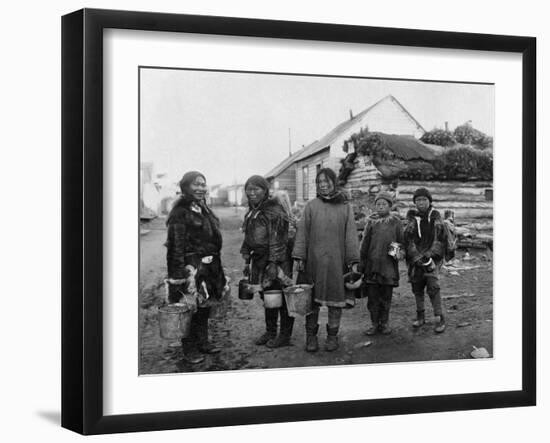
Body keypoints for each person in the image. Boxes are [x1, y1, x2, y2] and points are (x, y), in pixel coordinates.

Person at [293, 168, 360, 352]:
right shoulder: (311, 206)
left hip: (336, 263)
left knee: (335, 301)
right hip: (313, 263)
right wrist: (299, 256)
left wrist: (353, 260)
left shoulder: (345, 207)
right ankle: (311, 337)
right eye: (319, 181)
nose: (323, 184)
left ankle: (332, 337)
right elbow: (302, 234)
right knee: (311, 302)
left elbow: (351, 236)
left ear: (334, 182)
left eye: (326, 181)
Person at [165, 171, 226, 364]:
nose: (201, 188)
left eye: (203, 184)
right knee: (189, 307)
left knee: (204, 307)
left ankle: (203, 342)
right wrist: (178, 276)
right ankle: (189, 348)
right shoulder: (180, 213)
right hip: (191, 270)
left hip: (208, 269)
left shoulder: (203, 209)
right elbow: (176, 247)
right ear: (185, 187)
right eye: (196, 184)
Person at [240, 176, 294, 348]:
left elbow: (278, 238)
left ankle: (284, 336)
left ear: (265, 190)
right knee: (268, 297)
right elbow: (249, 236)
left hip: (276, 261)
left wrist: (273, 263)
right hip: (259, 261)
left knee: (281, 298)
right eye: (249, 189)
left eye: (256, 189)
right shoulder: (253, 210)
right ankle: (271, 331)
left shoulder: (274, 211)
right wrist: (247, 257)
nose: (252, 192)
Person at [359, 192, 404, 335]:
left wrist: (397, 252)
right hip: (372, 267)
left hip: (388, 268)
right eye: (378, 204)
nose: (381, 207)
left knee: (386, 297)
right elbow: (364, 244)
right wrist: (362, 261)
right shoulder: (371, 223)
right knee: (372, 298)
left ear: (390, 206)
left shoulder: (395, 222)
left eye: (384, 204)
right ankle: (374, 324)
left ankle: (384, 323)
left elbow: (400, 241)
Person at [404, 187, 447, 333]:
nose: (421, 202)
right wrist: (415, 256)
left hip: (431, 260)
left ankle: (439, 317)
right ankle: (420, 316)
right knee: (417, 288)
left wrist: (430, 254)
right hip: (415, 261)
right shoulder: (411, 219)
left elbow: (440, 239)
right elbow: (407, 239)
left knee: (433, 287)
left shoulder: (436, 218)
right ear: (414, 202)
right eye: (418, 200)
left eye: (424, 199)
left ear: (429, 201)